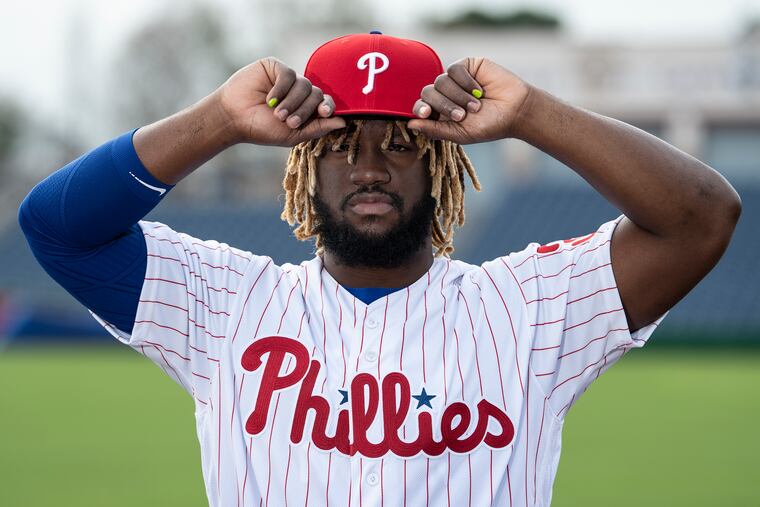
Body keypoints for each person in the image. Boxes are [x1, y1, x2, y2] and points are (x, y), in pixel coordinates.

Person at [19, 32, 740, 506]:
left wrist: (531, 113)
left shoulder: (527, 308)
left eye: (400, 144)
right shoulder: (226, 302)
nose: (368, 168)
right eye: (339, 145)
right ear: (303, 164)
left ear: (441, 164)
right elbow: (56, 227)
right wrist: (220, 119)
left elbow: (702, 218)